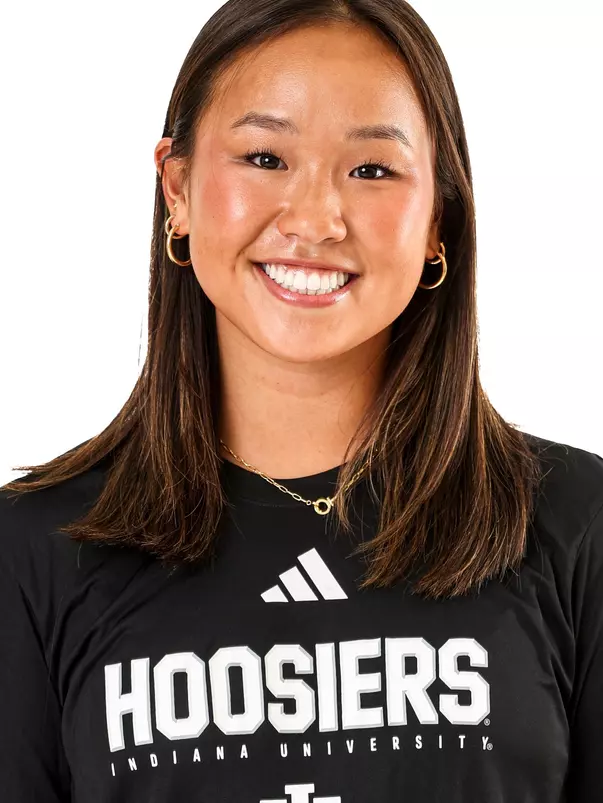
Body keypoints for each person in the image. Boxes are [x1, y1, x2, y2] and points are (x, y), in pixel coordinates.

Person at [1, 0, 602, 801]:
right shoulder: (30, 552)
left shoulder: (577, 529)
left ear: (438, 220)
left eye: (371, 170)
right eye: (262, 157)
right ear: (176, 188)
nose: (315, 220)